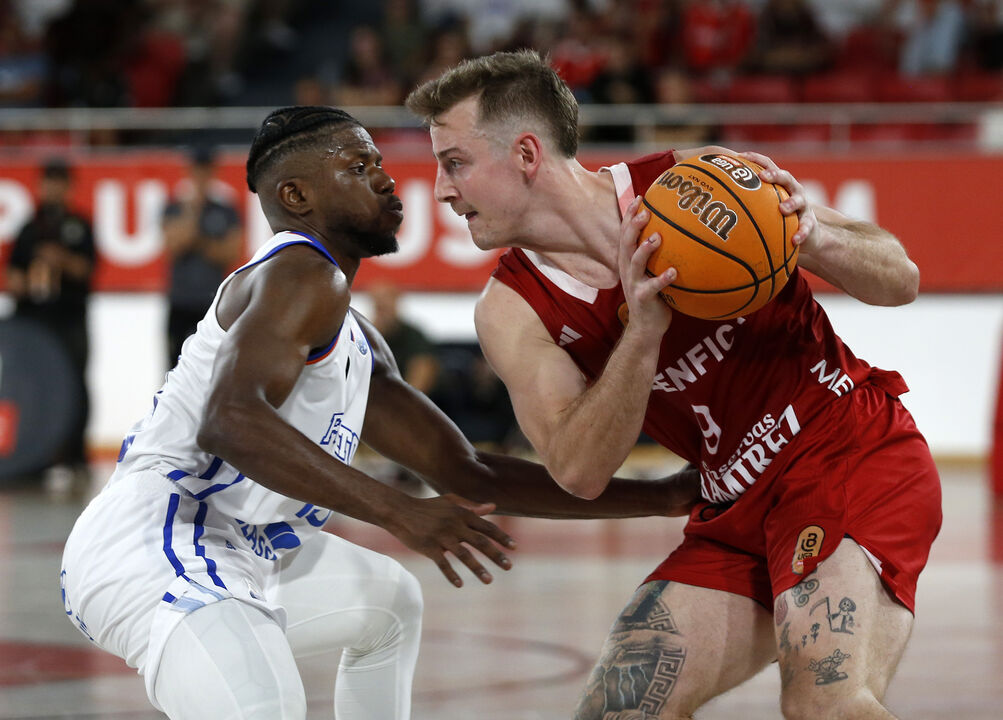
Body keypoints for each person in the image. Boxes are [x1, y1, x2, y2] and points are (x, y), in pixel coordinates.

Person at [59, 106, 700, 720]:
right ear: (297, 196)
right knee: (263, 706)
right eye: (359, 166)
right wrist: (399, 512)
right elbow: (230, 421)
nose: (387, 177)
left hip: (244, 545)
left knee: (390, 604)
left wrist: (664, 497)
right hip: (157, 537)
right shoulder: (301, 273)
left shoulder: (357, 338)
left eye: (380, 164)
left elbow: (471, 474)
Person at [406, 51, 942, 719]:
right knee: (617, 711)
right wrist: (639, 335)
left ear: (524, 153)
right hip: (731, 507)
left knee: (825, 704)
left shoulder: (693, 182)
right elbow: (577, 471)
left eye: (453, 162)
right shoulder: (511, 309)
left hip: (844, 453)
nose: (439, 190)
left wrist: (812, 239)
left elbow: (900, 278)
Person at [6, 157, 95, 486]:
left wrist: (62, 260)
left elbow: (87, 269)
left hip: (68, 317)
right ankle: (34, 455)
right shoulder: (29, 229)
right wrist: (22, 282)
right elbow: (12, 273)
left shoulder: (79, 225)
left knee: (75, 384)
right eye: (49, 181)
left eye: (60, 182)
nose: (53, 189)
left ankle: (74, 455)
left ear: (68, 187)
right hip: (34, 321)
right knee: (31, 387)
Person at [161, 145, 243, 367]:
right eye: (197, 170)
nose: (201, 176)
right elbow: (173, 246)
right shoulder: (174, 208)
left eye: (205, 170)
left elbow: (229, 254)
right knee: (174, 367)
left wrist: (196, 239)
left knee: (214, 368)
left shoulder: (226, 211)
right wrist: (194, 212)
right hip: (180, 300)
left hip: (212, 303)